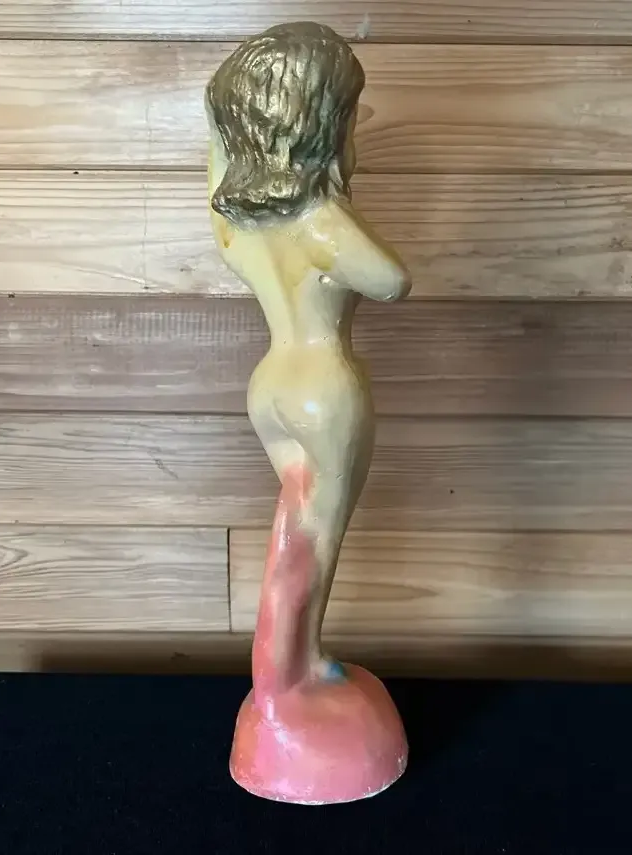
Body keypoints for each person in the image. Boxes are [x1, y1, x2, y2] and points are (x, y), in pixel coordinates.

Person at [206, 22, 411, 709]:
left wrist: (219, 121)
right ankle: (290, 673)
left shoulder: (237, 220)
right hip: (325, 391)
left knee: (291, 532)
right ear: (324, 125)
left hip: (270, 386)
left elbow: (219, 168)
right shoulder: (320, 220)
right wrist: (333, 210)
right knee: (315, 542)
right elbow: (391, 280)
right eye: (349, 115)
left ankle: (283, 671)